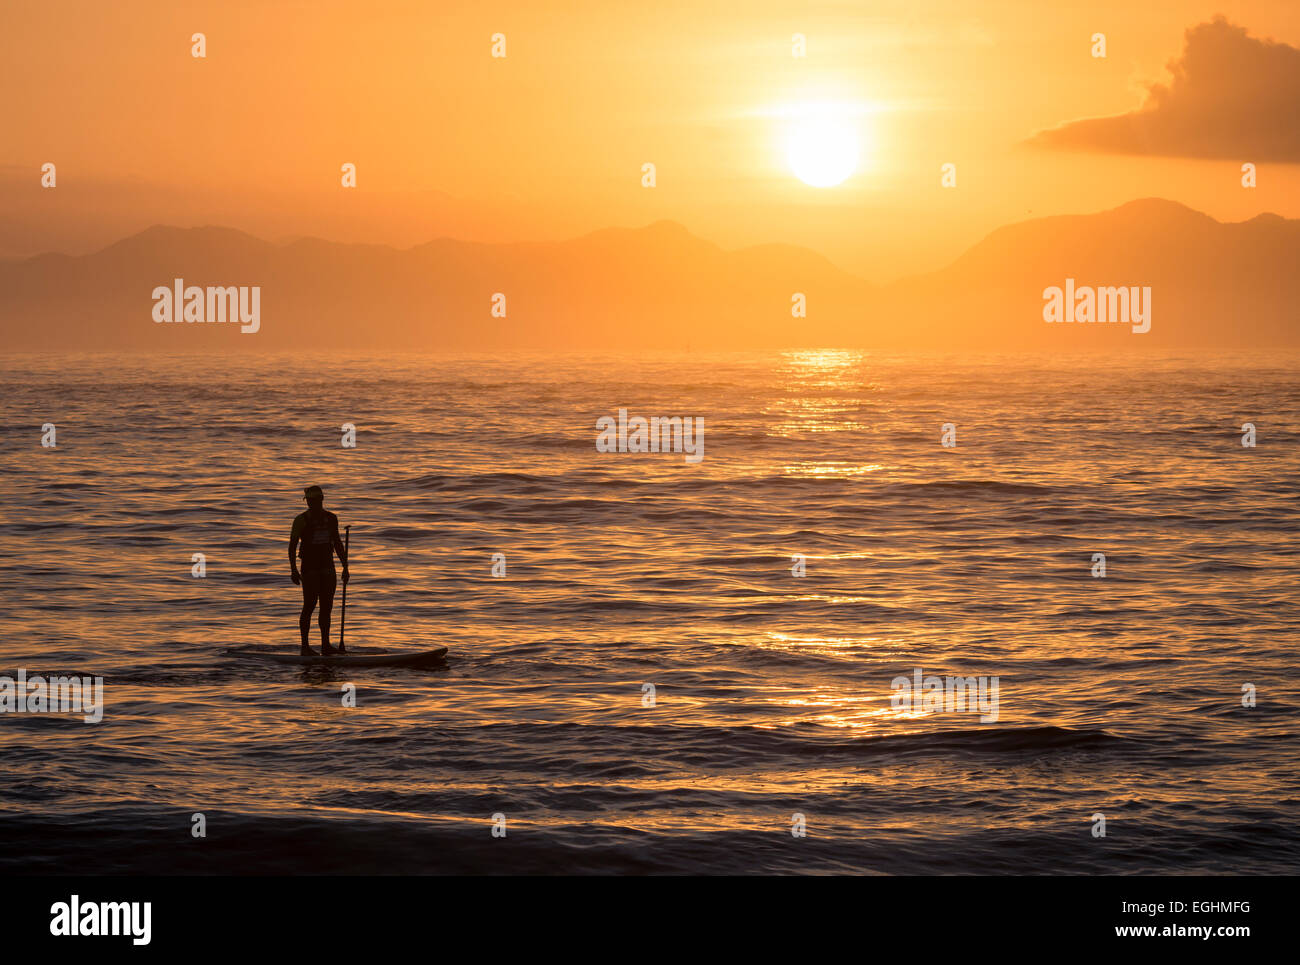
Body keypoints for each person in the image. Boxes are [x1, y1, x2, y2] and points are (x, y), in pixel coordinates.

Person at [289, 485, 349, 655]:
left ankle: (325, 646)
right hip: (309, 568)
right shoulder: (300, 520)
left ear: (321, 499)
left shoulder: (331, 518)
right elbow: (292, 546)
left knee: (326, 607)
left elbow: (337, 543)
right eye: (308, 500)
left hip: (328, 567)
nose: (311, 503)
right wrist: (293, 570)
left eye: (314, 500)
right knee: (309, 605)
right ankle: (305, 647)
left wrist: (345, 566)